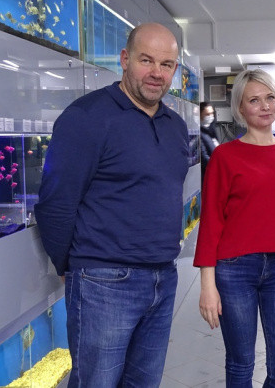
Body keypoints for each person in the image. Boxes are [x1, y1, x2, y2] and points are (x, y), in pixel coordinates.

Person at [35, 23, 188, 387]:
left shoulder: (175, 126)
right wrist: (71, 267)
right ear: (124, 59)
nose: (156, 73)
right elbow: (56, 203)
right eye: (146, 60)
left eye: (166, 64)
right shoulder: (86, 117)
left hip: (163, 278)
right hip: (103, 282)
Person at [194, 69, 275, 387]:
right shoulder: (225, 156)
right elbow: (211, 222)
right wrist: (207, 285)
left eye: (270, 98)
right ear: (240, 107)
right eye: (254, 100)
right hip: (233, 270)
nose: (265, 106)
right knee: (241, 364)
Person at [199, 101, 220, 177]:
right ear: (200, 115)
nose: (210, 116)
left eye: (212, 113)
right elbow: (204, 158)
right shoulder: (200, 134)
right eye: (207, 114)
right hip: (208, 174)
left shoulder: (211, 130)